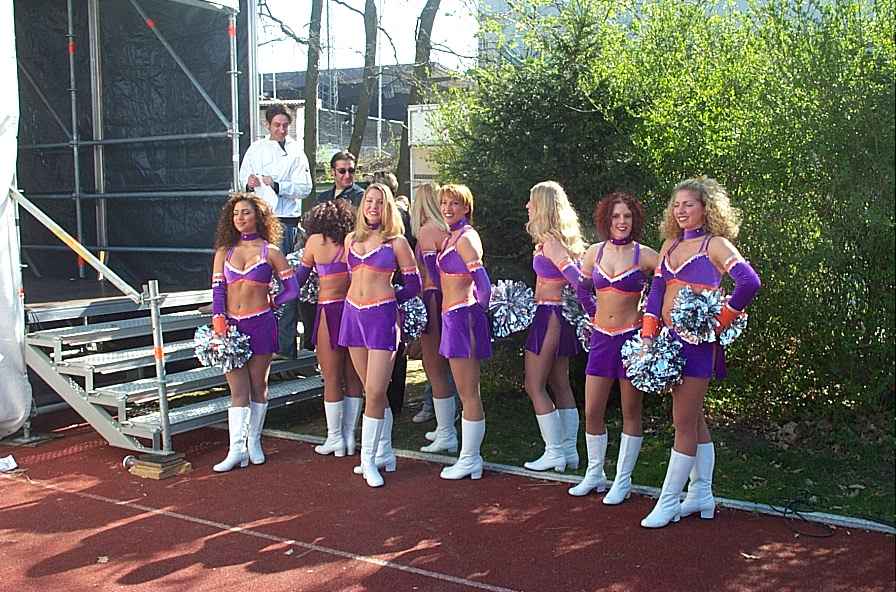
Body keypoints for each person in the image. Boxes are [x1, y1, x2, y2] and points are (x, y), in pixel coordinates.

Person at [639, 177, 760, 528]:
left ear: (706, 208)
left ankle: (668, 501)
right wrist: (648, 335)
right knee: (693, 419)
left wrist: (718, 323)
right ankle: (701, 494)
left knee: (682, 422)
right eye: (676, 205)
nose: (680, 211)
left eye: (688, 204)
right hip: (667, 342)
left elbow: (749, 282)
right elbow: (656, 292)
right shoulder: (669, 245)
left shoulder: (715, 245)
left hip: (697, 345)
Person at [570, 192, 659, 502]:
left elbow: (666, 286)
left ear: (635, 220)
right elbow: (581, 288)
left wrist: (651, 323)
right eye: (616, 216)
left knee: (631, 411)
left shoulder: (645, 255)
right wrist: (592, 313)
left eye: (627, 216)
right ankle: (595, 473)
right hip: (600, 339)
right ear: (606, 219)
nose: (621, 221)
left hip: (631, 340)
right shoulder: (593, 253)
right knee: (592, 410)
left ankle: (623, 480)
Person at [338, 183, 420, 487]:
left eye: (380, 202)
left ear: (388, 208)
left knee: (374, 391)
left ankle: (368, 459)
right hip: (352, 316)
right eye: (369, 201)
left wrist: (390, 299)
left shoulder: (397, 242)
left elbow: (414, 285)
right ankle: (385, 453)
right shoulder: (350, 239)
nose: (373, 206)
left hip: (382, 319)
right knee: (371, 391)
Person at [210, 193, 299, 472]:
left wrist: (275, 302)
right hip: (231, 328)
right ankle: (235, 450)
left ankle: (254, 442)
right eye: (236, 213)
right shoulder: (224, 251)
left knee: (259, 385)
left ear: (258, 217)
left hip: (261, 324)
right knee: (238, 390)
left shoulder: (270, 252)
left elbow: (292, 289)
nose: (240, 218)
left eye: (246, 212)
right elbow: (217, 291)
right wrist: (218, 320)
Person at [519, 181, 587, 473]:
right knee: (560, 383)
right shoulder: (557, 240)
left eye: (532, 201)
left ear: (544, 206)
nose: (527, 206)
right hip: (559, 316)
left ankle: (555, 451)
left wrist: (590, 306)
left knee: (534, 385)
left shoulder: (551, 243)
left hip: (550, 316)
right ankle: (569, 452)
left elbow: (578, 279)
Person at [238, 103, 313, 360]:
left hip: (284, 221)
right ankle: (258, 342)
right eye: (277, 125)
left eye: (285, 125)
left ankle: (284, 346)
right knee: (256, 279)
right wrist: (250, 183)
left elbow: (304, 187)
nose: (281, 130)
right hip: (259, 221)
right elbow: (243, 177)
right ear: (267, 125)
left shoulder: (296, 152)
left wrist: (277, 184)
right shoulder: (256, 149)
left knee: (285, 282)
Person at [294, 199, 364, 457]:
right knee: (354, 376)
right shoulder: (356, 242)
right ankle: (350, 437)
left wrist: (274, 293)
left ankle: (335, 438)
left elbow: (299, 280)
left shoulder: (315, 242)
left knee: (331, 377)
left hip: (329, 311)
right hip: (355, 311)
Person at [437, 184, 492, 480]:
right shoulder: (452, 236)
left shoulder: (467, 238)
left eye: (455, 203)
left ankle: (471, 458)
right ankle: (469, 457)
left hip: (461, 317)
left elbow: (484, 286)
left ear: (467, 207)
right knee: (464, 391)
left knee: (469, 393)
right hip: (452, 317)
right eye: (444, 203)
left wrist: (475, 316)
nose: (448, 208)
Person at [409, 183, 458, 453]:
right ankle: (444, 427)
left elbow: (432, 274)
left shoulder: (427, 231)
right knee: (439, 367)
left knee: (434, 367)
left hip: (433, 298)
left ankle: (447, 431)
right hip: (441, 298)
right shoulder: (444, 229)